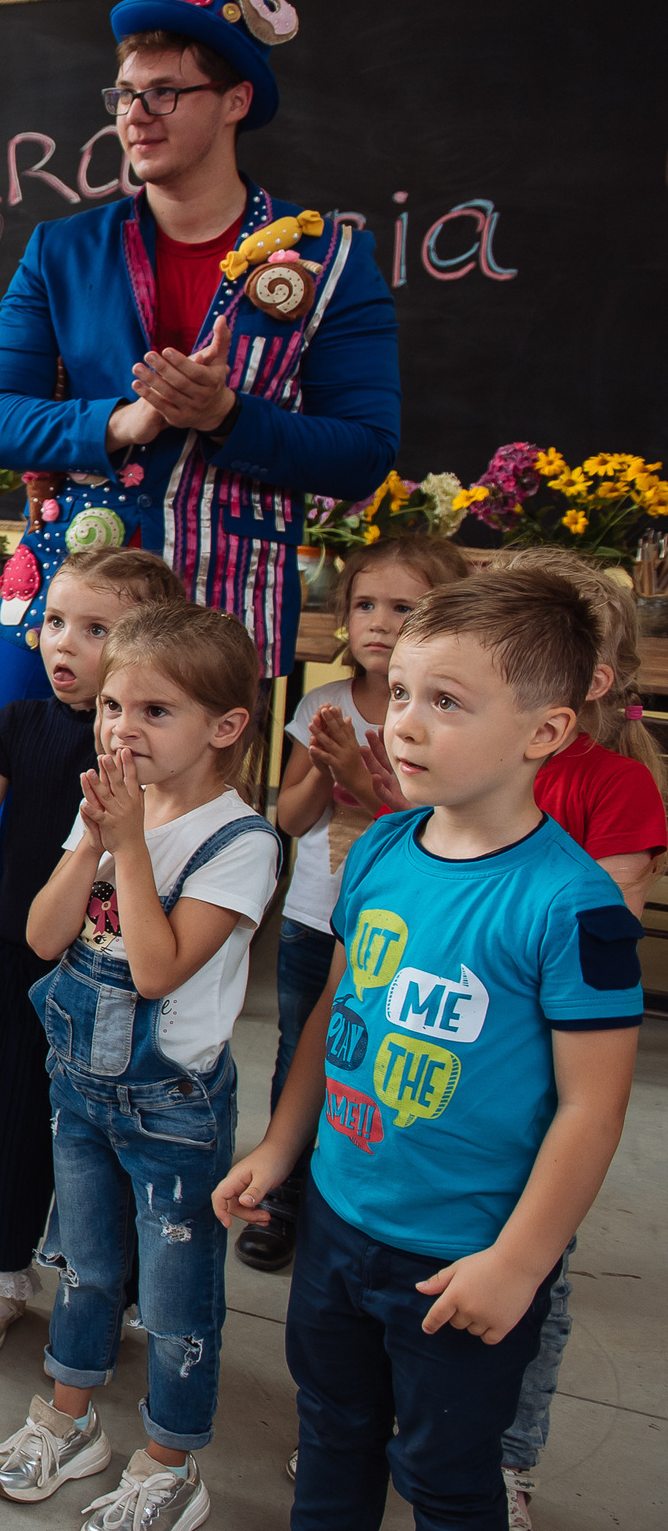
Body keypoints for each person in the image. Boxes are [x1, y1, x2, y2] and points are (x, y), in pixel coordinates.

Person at [0, 0, 400, 1188]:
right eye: (123, 92)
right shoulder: (66, 251)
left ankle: (158, 1124)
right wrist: (123, 422)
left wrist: (230, 415)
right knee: (5, 862)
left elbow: (362, 455)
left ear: (233, 99)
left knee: (187, 871)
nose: (135, 112)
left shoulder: (325, 266)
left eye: (163, 88)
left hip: (207, 637)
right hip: (65, 617)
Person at [189, 569, 642, 1531]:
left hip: (462, 1253)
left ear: (545, 730)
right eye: (401, 693)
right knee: (333, 1420)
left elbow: (592, 1108)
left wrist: (517, 1262)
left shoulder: (573, 907)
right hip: (343, 1219)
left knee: (445, 1472)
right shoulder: (384, 846)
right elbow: (332, 1021)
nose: (404, 722)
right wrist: (281, 1146)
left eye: (448, 701)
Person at [0, 601, 278, 1531]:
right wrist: (92, 839)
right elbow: (41, 935)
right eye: (112, 707)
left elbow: (156, 969)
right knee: (86, 1267)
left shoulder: (242, 845)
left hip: (172, 1105)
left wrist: (133, 843)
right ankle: (71, 1420)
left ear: (225, 726)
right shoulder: (108, 801)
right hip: (80, 1084)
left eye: (154, 711)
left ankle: (169, 1464)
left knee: (180, 1300)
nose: (121, 729)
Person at [0, 547, 184, 1360]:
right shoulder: (19, 724)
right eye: (54, 621)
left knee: (105, 1144)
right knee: (8, 1124)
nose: (63, 644)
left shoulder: (150, 747)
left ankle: (105, 1288)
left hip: (115, 976)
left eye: (96, 628)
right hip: (22, 965)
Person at [477, 547, 664, 1531]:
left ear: (584, 681)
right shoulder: (474, 760)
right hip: (434, 1070)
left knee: (528, 1279)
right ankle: (398, 1431)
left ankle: (503, 1466)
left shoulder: (614, 785)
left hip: (538, 1087)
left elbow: (603, 918)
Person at [248, 533, 471, 1272]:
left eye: (402, 606)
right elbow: (292, 819)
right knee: (302, 1049)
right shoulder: (324, 701)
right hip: (317, 917)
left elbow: (425, 822)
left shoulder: (442, 719)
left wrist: (368, 776)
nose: (378, 620)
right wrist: (327, 762)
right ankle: (281, 1195)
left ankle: (341, 1194)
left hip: (402, 932)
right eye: (364, 604)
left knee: (375, 1064)